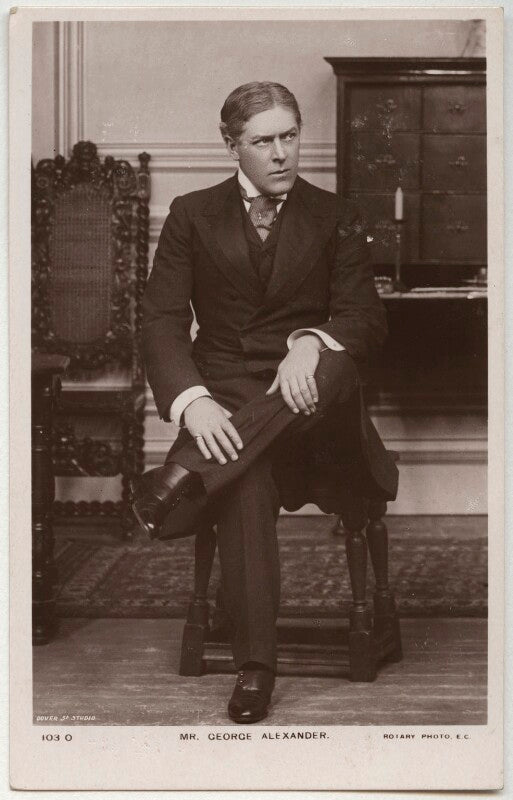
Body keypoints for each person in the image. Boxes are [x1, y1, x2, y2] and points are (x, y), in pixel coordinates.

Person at [132, 81, 398, 723]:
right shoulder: (192, 214)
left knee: (334, 365)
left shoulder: (335, 215)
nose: (281, 154)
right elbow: (161, 320)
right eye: (262, 141)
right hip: (225, 412)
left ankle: (185, 475)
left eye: (289, 136)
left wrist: (309, 341)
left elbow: (366, 319)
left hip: (317, 418)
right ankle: (256, 668)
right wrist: (192, 402)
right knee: (245, 475)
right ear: (232, 146)